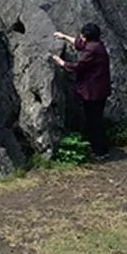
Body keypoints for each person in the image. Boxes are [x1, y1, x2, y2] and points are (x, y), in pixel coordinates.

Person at [51, 24, 112, 160]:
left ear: (86, 37)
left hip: (93, 92)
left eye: (82, 35)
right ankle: (102, 149)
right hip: (100, 90)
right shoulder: (97, 45)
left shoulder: (92, 50)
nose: (80, 37)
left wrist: (62, 63)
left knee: (94, 121)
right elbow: (80, 45)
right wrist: (64, 37)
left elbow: (79, 66)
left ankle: (100, 152)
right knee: (96, 120)